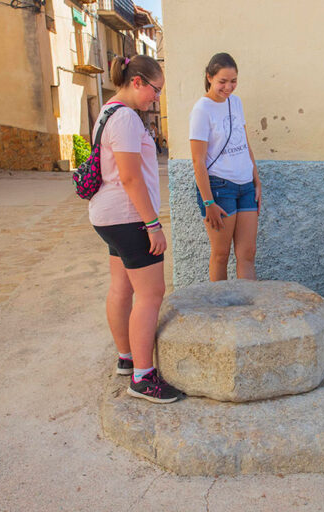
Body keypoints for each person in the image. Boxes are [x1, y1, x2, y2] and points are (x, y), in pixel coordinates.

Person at [89, 55, 182, 404]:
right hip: (129, 217)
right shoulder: (126, 118)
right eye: (155, 90)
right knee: (151, 294)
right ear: (137, 81)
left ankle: (126, 358)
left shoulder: (108, 111)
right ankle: (143, 377)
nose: (157, 98)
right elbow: (130, 177)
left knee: (122, 287)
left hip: (108, 215)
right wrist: (153, 224)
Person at [190, 52, 261, 281]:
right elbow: (198, 160)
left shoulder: (236, 102)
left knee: (247, 253)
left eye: (233, 81)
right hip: (220, 188)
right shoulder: (202, 109)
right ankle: (219, 303)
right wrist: (208, 202)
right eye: (222, 81)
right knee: (221, 254)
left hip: (246, 186)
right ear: (209, 77)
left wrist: (257, 181)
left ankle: (247, 301)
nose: (228, 87)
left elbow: (244, 143)